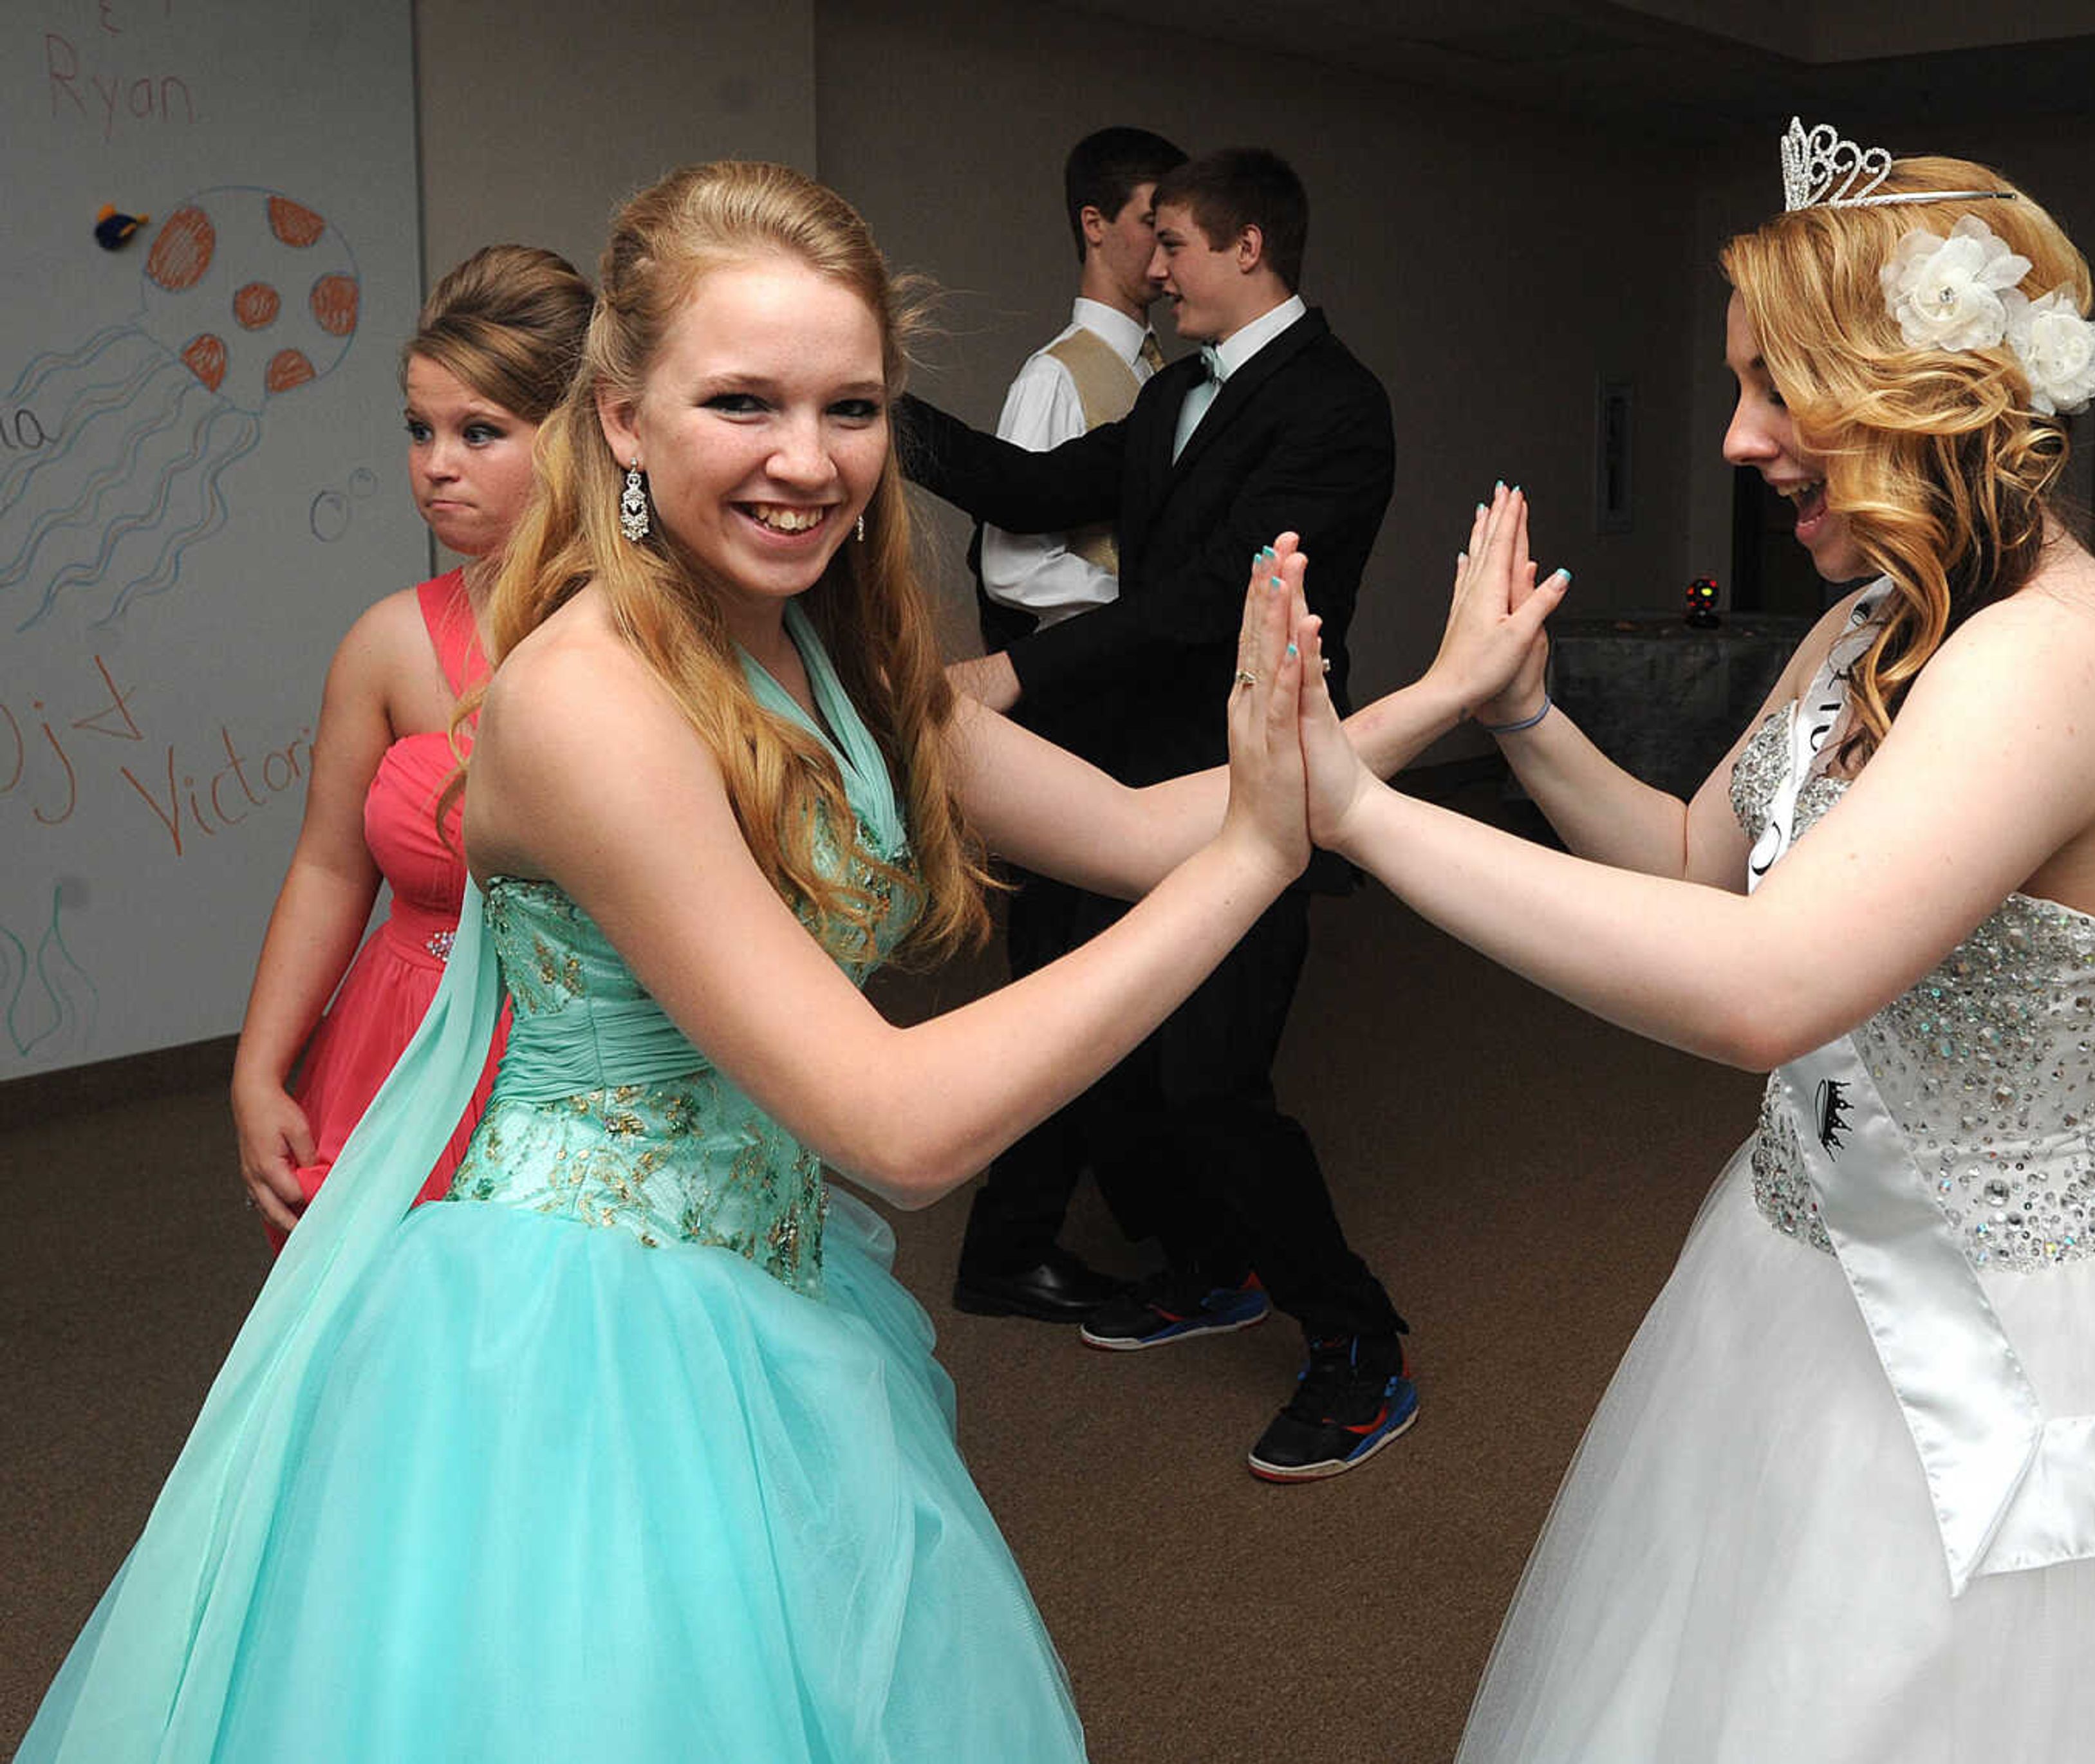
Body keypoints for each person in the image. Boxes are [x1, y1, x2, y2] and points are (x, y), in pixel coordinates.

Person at [17, 160, 1320, 1763]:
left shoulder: (812, 647)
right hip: (572, 1332)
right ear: (622, 420)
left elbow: (1131, 830)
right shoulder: (584, 702)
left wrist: (1431, 724)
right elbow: (898, 1126)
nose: (807, 460)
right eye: (745, 402)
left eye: (852, 410)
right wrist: (1259, 861)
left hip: (765, 1275)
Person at [1280, 124, 2095, 1761]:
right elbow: (1703, 864)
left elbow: (1765, 987)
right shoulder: (1873, 619)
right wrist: (1525, 720)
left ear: (1923, 387)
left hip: (2034, 1333)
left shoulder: (2050, 664)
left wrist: (1369, 816)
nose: (1739, 440)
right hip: (1811, 1257)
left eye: (1776, 387)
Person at [900, 147, 1416, 1482]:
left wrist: (1016, 668)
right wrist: (858, 407)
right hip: (1129, 772)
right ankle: (1208, 1266)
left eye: (1176, 243)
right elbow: (1030, 494)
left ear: (1250, 246)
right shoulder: (1180, 386)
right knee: (1104, 1051)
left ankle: (1359, 1348)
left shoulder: (1337, 408)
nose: (1156, 265)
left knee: (1212, 1084)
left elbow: (1212, 603)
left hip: (1254, 776)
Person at [229, 245, 591, 1245]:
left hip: (577, 1063)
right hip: (401, 1039)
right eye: (420, 429)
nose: (436, 465)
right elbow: (328, 863)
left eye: (481, 431)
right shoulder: (390, 642)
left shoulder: (654, 641)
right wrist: (259, 1067)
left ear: (584, 438)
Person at [953, 124, 1187, 1325]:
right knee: (1059, 964)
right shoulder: (1060, 376)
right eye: (1153, 223)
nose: (1165, 252)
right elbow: (1018, 562)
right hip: (1068, 706)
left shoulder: (1162, 373)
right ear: (1097, 226)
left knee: (1120, 959)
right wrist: (1139, 620)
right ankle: (1012, 1243)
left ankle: (1145, 1205)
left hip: (1124, 702)